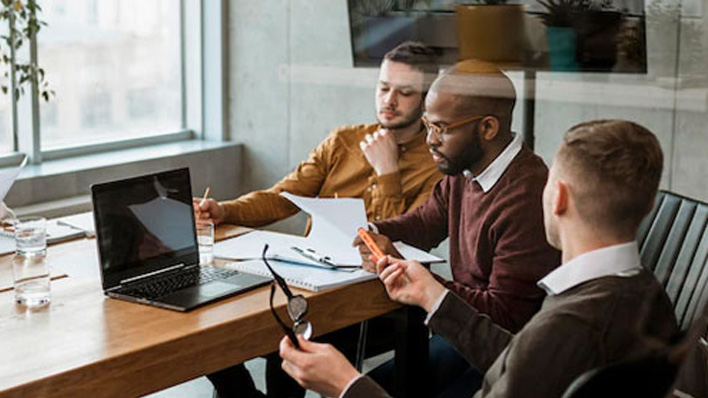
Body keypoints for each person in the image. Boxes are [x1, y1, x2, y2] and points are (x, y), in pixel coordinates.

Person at [279, 119, 679, 398]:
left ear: (558, 197)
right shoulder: (648, 298)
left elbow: (536, 354)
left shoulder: (567, 322)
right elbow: (526, 363)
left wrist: (346, 384)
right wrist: (433, 296)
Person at [197, 41, 444, 398]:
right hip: (310, 279)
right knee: (217, 325)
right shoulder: (344, 140)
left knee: (289, 335)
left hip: (374, 299)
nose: (389, 101)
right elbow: (283, 198)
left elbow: (404, 245)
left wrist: (388, 173)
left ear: (425, 99)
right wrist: (225, 210)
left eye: (404, 93)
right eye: (383, 88)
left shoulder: (436, 165)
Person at [351, 60, 560, 397]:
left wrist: (420, 280)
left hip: (501, 358)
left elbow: (504, 318)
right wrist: (370, 230)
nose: (430, 141)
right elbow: (423, 223)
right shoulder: (466, 171)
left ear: (488, 128)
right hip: (459, 332)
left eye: (441, 128)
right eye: (427, 126)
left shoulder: (527, 196)